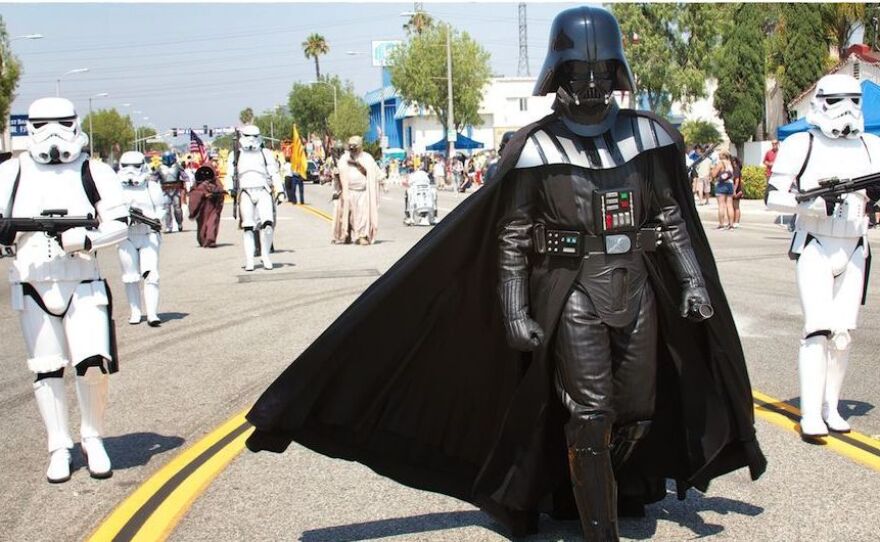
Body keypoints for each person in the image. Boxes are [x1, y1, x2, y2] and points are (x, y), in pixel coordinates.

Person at [245, 7, 765, 542]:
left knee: (636, 411)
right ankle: (599, 530)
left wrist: (693, 283)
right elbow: (512, 235)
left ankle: (577, 485)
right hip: (572, 293)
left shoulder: (648, 138)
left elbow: (671, 217)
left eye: (601, 72)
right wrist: (516, 309)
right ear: (558, 74)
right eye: (580, 73)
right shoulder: (535, 147)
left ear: (617, 73)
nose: (591, 84)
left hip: (637, 288)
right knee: (590, 415)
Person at [0, 97, 129, 482]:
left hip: (83, 281)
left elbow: (120, 222)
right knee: (47, 369)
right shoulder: (10, 172)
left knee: (92, 364)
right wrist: (12, 236)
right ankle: (59, 444)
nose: (54, 132)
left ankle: (92, 437)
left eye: (62, 123)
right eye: (44, 124)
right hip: (34, 282)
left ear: (75, 124)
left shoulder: (94, 170)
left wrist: (86, 239)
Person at [766, 74, 880, 441]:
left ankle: (832, 406)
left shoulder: (871, 147)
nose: (846, 108)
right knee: (817, 329)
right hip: (816, 242)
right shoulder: (802, 143)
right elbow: (774, 196)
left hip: (854, 245)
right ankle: (811, 411)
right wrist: (813, 203)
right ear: (820, 103)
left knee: (843, 333)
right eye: (836, 100)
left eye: (853, 99)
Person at [117, 151, 165, 326]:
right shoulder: (115, 188)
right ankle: (135, 312)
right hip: (125, 235)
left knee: (152, 274)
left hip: (148, 233)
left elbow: (161, 209)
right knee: (130, 276)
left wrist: (151, 218)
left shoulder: (151, 187)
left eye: (135, 166)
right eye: (126, 166)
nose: (131, 171)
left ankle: (152, 313)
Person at [227, 125, 281, 271]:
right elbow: (230, 174)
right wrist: (230, 188)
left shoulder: (265, 153)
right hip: (245, 191)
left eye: (255, 136)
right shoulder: (236, 154)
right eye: (248, 136)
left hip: (263, 190)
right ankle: (250, 259)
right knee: (248, 227)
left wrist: (280, 191)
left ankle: (265, 255)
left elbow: (274, 172)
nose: (252, 139)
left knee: (268, 225)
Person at [333, 136, 384, 245]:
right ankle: (345, 234)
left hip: (362, 192)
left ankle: (362, 236)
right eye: (350, 146)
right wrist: (336, 175)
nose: (352, 148)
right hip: (348, 192)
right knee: (345, 215)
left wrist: (358, 164)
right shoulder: (344, 158)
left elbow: (376, 173)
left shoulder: (367, 158)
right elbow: (339, 172)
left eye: (355, 146)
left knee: (362, 216)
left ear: (360, 146)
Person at [187, 164, 225, 247]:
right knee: (202, 224)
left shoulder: (216, 182)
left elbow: (221, 191)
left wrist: (215, 194)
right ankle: (203, 239)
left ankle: (210, 240)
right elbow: (194, 196)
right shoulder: (197, 184)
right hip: (202, 207)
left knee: (212, 222)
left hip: (213, 206)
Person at [157, 151, 187, 233]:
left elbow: (185, 176)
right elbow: (154, 177)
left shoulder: (177, 166)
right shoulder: (160, 167)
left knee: (177, 209)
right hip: (165, 191)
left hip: (176, 190)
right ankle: (168, 226)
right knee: (166, 210)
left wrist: (183, 181)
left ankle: (179, 223)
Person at [711, 151, 736, 229]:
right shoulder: (730, 163)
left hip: (721, 184)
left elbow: (714, 174)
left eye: (719, 154)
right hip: (730, 184)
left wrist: (713, 169)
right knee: (730, 205)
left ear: (723, 155)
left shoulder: (721, 163)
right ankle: (731, 224)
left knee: (721, 205)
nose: (718, 155)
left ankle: (721, 224)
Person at [731, 155, 744, 228]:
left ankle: (736, 221)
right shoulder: (735, 169)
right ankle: (734, 221)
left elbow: (737, 180)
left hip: (736, 190)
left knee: (736, 206)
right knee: (733, 206)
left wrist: (734, 190)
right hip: (735, 189)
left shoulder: (736, 169)